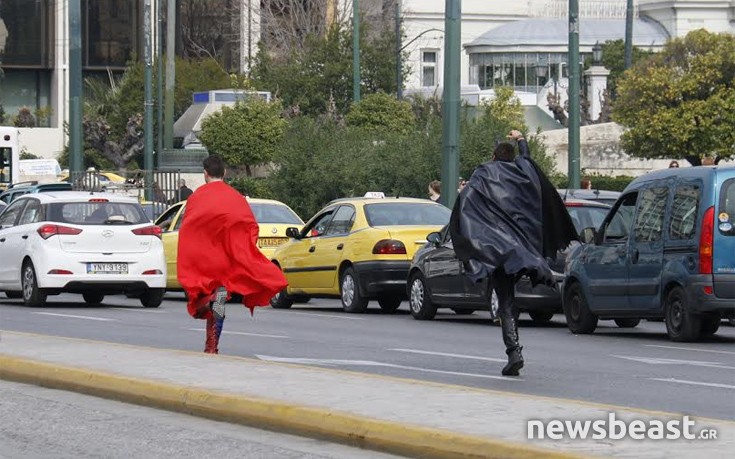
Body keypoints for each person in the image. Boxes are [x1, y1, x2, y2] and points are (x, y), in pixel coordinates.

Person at [450, 130, 577, 376]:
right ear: (512, 156)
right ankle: (514, 349)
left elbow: (465, 204)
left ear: (494, 156)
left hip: (496, 249)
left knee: (506, 301)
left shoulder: (483, 173)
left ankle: (514, 351)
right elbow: (527, 160)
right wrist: (521, 140)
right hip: (521, 249)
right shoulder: (523, 173)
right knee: (510, 298)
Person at [177, 155, 288, 354]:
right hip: (223, 264)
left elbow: (188, 229)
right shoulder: (235, 198)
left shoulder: (196, 198)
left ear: (205, 174)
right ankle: (212, 346)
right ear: (225, 173)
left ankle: (206, 316)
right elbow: (249, 226)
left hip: (204, 263)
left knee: (203, 297)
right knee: (219, 302)